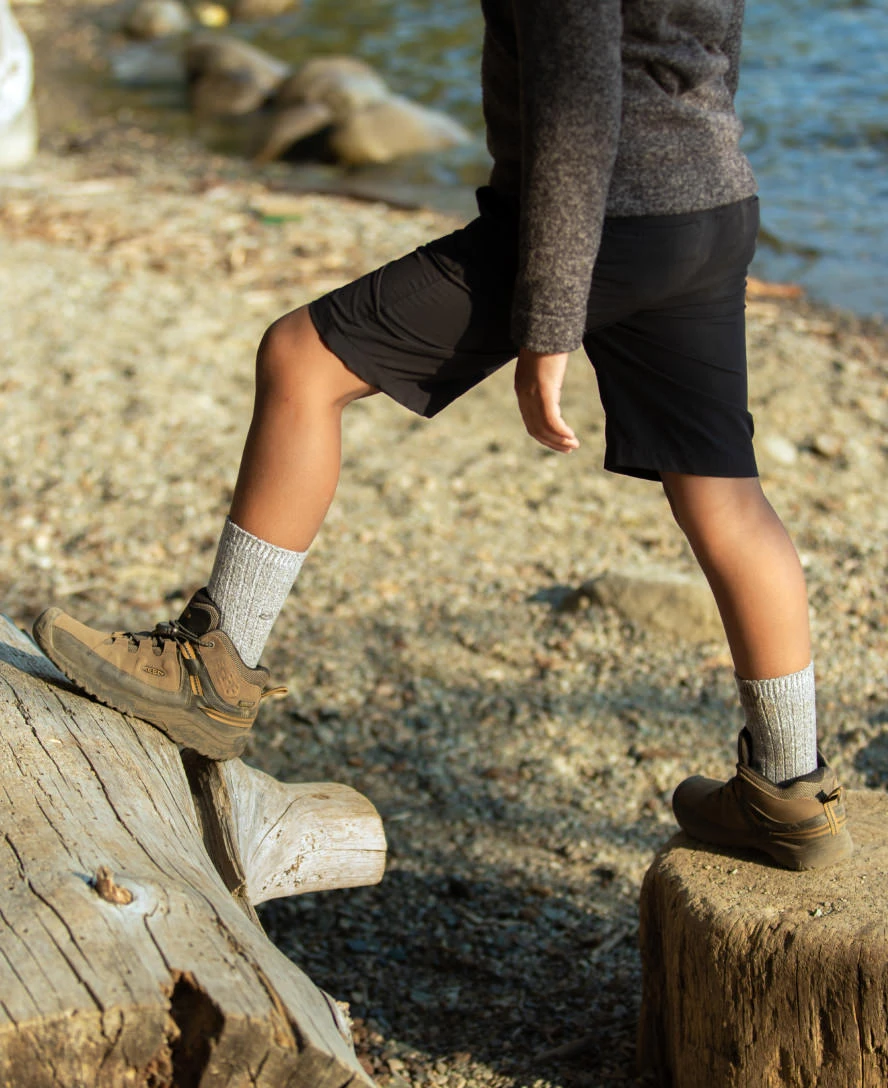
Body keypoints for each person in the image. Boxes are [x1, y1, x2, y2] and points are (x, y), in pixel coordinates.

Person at [33, 0, 852, 870]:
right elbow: (705, 46)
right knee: (724, 492)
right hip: (710, 205)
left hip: (600, 217)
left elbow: (579, 98)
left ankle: (214, 666)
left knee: (302, 361)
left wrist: (550, 323)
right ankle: (788, 786)